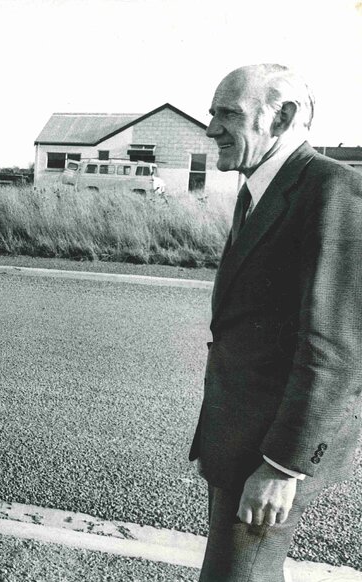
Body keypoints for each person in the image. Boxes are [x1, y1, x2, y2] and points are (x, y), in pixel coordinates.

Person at [189, 64, 362, 581]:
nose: (212, 128)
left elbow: (337, 351)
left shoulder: (333, 192)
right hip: (243, 440)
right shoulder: (263, 189)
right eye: (212, 113)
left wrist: (283, 467)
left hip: (271, 449)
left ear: (282, 117)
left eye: (229, 114)